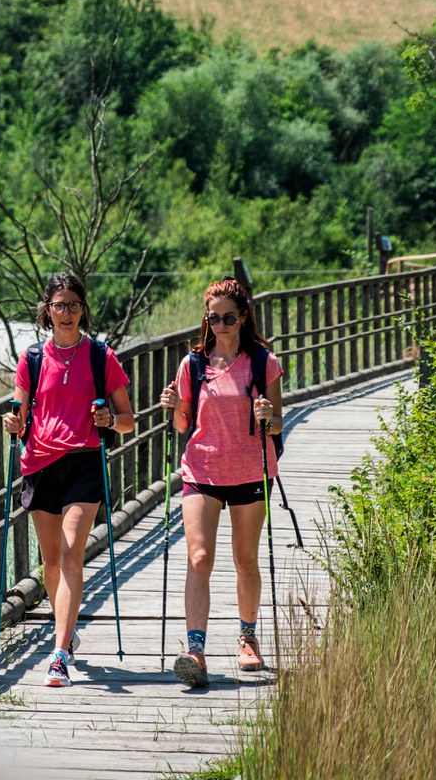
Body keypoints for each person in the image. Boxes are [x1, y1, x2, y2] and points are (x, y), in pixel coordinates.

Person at [3, 273, 135, 688]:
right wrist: (12, 421)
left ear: (83, 310)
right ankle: (68, 627)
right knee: (51, 562)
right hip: (40, 464)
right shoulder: (32, 358)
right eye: (58, 305)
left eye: (73, 305)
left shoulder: (101, 356)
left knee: (71, 550)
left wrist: (109, 421)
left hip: (83, 462)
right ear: (47, 310)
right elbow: (19, 412)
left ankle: (58, 654)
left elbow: (129, 421)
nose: (66, 313)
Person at [158, 276, 283, 687]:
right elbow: (183, 424)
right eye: (214, 318)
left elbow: (277, 423)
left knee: (245, 559)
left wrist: (267, 415)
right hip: (202, 469)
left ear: (243, 317)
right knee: (199, 558)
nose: (222, 325)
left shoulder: (263, 362)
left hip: (250, 469)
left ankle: (247, 637)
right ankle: (195, 649)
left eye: (229, 317)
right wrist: (175, 406)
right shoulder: (193, 363)